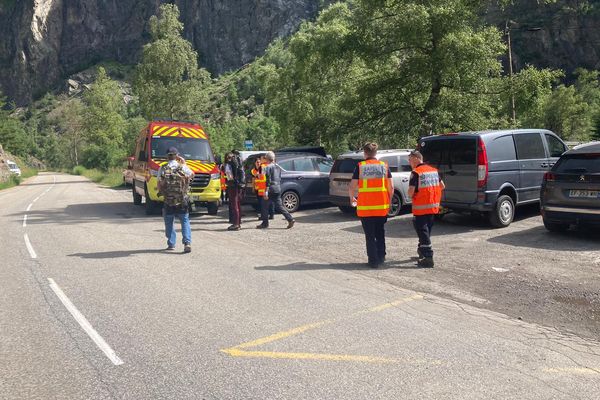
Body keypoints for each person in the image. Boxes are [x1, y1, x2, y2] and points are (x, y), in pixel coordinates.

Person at [349, 143, 394, 268]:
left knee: (370, 235)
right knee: (380, 233)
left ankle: (373, 261)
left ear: (365, 153)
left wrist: (352, 199)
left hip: (366, 208)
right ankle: (381, 256)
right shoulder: (384, 166)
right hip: (381, 207)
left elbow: (352, 186)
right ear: (376, 153)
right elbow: (391, 187)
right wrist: (389, 202)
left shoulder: (361, 166)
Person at [407, 150, 445, 268]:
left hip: (421, 208)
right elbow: (442, 186)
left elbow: (410, 192)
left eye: (410, 159)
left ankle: (428, 257)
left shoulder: (416, 172)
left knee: (423, 232)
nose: (409, 162)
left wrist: (413, 195)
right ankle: (422, 252)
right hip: (432, 207)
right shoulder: (434, 171)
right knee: (426, 231)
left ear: (416, 158)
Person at [157, 147, 194, 253]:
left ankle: (171, 243)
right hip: (182, 199)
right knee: (185, 220)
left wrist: (162, 192)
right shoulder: (182, 167)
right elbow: (192, 175)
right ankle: (187, 242)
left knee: (169, 221)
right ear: (177, 155)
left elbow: (159, 184)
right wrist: (184, 163)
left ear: (167, 156)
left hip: (168, 200)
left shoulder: (163, 168)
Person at [257, 151, 295, 229]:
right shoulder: (278, 166)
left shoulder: (267, 167)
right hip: (277, 188)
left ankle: (265, 223)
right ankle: (290, 219)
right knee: (280, 206)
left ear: (267, 158)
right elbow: (279, 178)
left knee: (264, 205)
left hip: (270, 188)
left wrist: (266, 191)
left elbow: (268, 179)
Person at [225, 151, 244, 231]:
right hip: (239, 186)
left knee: (234, 205)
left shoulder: (229, 164)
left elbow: (229, 176)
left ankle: (236, 224)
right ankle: (238, 223)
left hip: (233, 186)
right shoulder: (239, 163)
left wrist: (229, 181)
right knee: (238, 204)